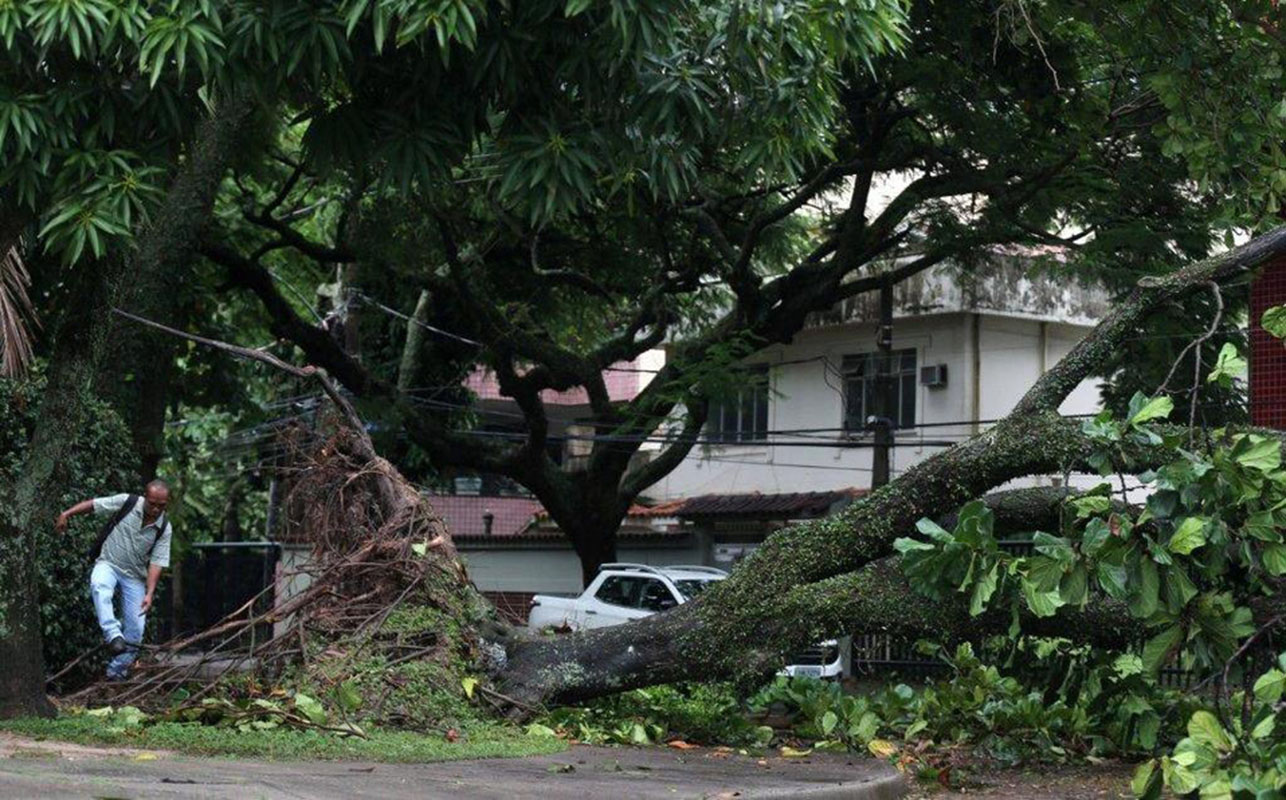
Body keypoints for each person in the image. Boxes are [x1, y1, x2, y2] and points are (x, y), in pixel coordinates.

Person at [55, 480, 174, 680]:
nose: (155, 509)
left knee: (136, 630)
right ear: (145, 497)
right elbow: (95, 505)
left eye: (161, 505)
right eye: (152, 503)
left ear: (166, 503)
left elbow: (157, 561)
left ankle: (115, 675)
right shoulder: (127, 501)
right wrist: (67, 514)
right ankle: (113, 634)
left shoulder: (164, 528)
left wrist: (150, 593)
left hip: (135, 577)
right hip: (108, 563)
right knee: (99, 585)